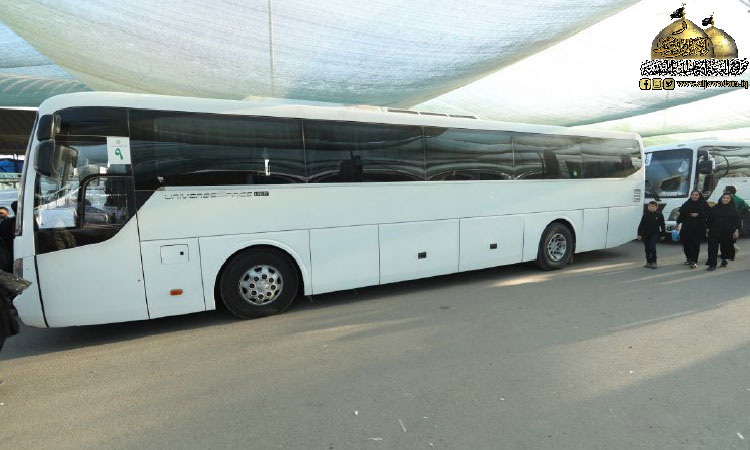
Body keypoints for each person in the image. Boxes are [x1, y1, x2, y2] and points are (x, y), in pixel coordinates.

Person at [706, 192, 741, 271]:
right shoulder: (715, 207)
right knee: (712, 248)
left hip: (727, 231)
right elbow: (709, 219)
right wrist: (707, 229)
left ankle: (724, 260)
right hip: (714, 231)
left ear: (731, 200)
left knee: (725, 247)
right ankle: (712, 264)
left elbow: (737, 220)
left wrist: (736, 230)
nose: (725, 199)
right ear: (721, 198)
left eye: (728, 198)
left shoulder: (733, 209)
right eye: (724, 197)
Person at [676, 190, 708, 269]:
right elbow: (682, 215)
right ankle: (689, 258)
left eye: (696, 195)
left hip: (698, 228)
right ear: (691, 195)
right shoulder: (687, 203)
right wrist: (677, 223)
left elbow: (709, 213)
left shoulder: (703, 204)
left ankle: (694, 261)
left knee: (695, 245)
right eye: (693, 194)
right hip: (686, 227)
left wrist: (698, 214)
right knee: (686, 244)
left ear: (699, 196)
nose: (694, 196)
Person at [638, 201, 666, 269]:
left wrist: (663, 234)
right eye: (649, 206)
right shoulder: (645, 215)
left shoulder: (659, 215)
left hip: (655, 234)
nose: (650, 207)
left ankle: (654, 262)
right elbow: (641, 225)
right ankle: (648, 261)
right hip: (646, 234)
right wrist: (639, 234)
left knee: (652, 247)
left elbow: (662, 225)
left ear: (656, 207)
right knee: (647, 248)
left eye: (652, 206)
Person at [723, 186, 747, 257]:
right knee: (731, 238)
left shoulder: (728, 199)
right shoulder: (740, 200)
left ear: (728, 191)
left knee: (728, 238)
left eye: (724, 190)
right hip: (737, 221)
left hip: (730, 222)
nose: (723, 191)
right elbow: (746, 209)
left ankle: (731, 252)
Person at [0, 202, 17, 272]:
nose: (0, 215)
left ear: (7, 214)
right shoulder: (5, 222)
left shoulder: (6, 222)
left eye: (2, 213)